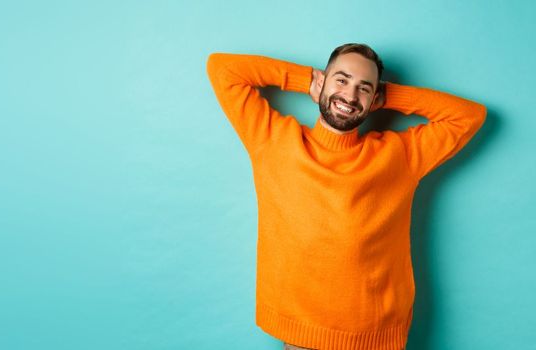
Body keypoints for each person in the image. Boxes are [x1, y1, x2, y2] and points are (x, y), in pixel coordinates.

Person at [206, 43, 486, 350]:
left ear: (374, 98)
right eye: (341, 80)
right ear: (323, 81)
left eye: (363, 89)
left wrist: (387, 96)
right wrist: (304, 80)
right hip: (302, 332)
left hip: (375, 334)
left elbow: (469, 115)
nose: (350, 96)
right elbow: (223, 69)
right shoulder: (272, 139)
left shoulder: (400, 155)